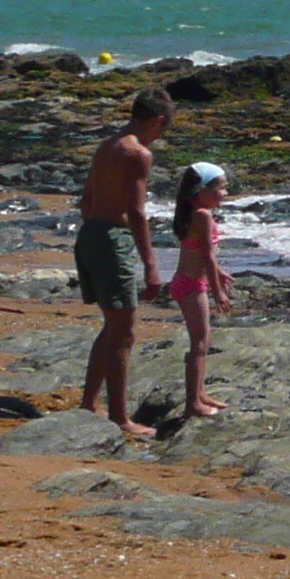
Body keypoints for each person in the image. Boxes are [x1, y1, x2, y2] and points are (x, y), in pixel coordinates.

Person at [73, 88, 173, 441]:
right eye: (164, 129)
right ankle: (119, 417)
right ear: (158, 121)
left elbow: (86, 199)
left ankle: (89, 402)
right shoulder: (137, 153)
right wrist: (151, 264)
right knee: (125, 332)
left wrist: (96, 233)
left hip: (90, 234)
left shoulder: (108, 144)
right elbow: (136, 212)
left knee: (112, 326)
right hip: (112, 239)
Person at [166, 161, 234, 418]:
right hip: (192, 285)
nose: (225, 194)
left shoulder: (192, 211)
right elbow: (206, 255)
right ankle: (192, 402)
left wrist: (218, 273)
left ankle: (200, 392)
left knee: (203, 341)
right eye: (222, 188)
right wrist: (218, 292)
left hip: (190, 281)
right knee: (200, 343)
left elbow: (203, 254)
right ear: (202, 190)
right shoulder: (202, 216)